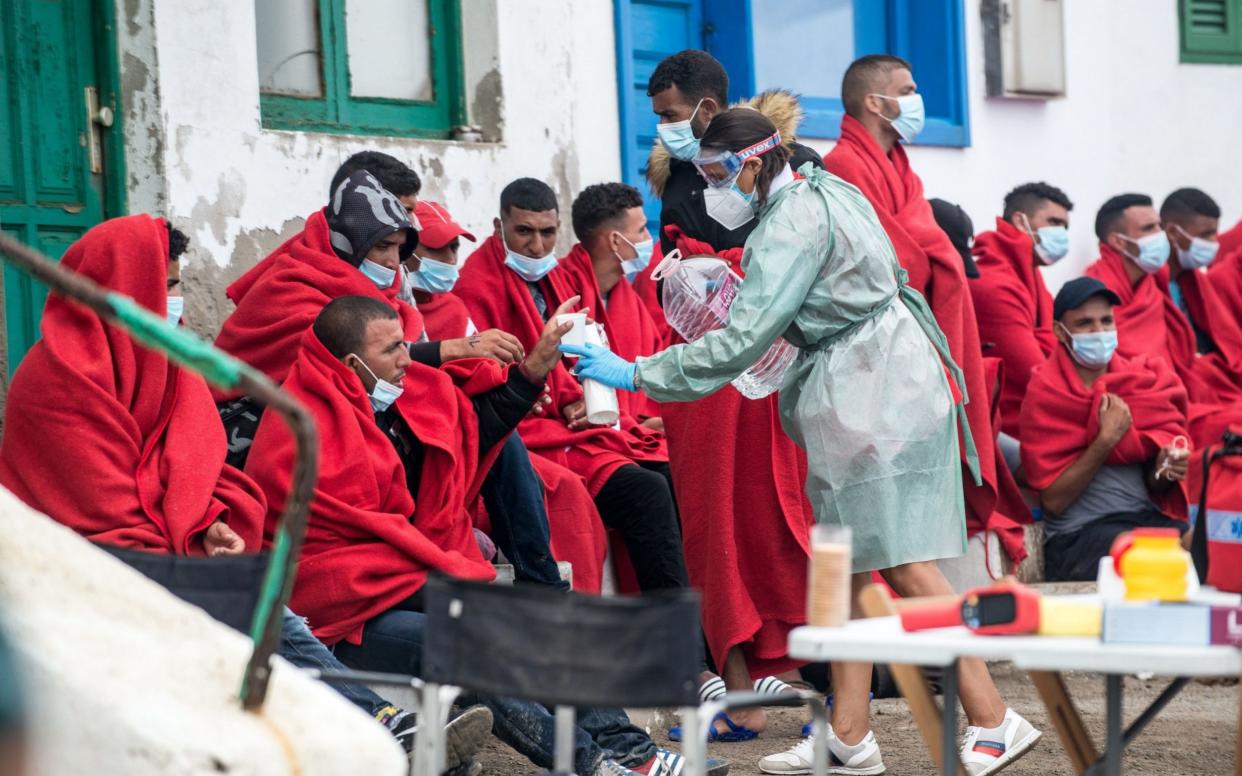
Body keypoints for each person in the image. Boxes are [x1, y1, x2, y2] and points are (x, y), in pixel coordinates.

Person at [564, 108, 1039, 776]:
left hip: (868, 390)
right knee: (845, 562)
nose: (710, 190)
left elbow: (740, 340)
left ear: (755, 162)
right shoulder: (823, 187)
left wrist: (637, 372)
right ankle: (848, 734)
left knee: (904, 563)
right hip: (876, 372)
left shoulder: (787, 224)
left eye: (717, 173)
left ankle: (994, 716)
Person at [0, 215, 490, 767]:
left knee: (273, 606)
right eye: (164, 286)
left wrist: (212, 521)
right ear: (119, 287)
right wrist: (195, 544)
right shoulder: (54, 385)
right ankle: (381, 722)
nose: (176, 300)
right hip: (85, 574)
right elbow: (101, 514)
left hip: (184, 552)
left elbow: (193, 466)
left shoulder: (168, 363)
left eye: (178, 284)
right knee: (257, 609)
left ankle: (397, 730)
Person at [244, 296, 722, 776]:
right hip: (345, 618)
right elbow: (325, 563)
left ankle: (630, 753)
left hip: (401, 579)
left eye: (405, 344)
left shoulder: (388, 396)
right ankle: (594, 764)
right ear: (351, 364)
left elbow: (476, 433)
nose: (408, 359)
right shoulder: (299, 428)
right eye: (392, 350)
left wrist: (533, 370)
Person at [647, 53, 818, 734]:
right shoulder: (675, 180)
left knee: (790, 526)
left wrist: (726, 268)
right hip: (705, 380)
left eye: (670, 115)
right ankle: (740, 692)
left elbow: (807, 259)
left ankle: (825, 693)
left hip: (779, 369)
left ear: (709, 112)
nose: (665, 131)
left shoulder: (801, 167)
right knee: (714, 528)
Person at [823, 54, 1029, 569]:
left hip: (918, 328)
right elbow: (892, 254)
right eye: (907, 89)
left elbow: (928, 239)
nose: (917, 100)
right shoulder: (844, 165)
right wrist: (932, 254)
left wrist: (932, 253)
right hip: (880, 337)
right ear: (876, 101)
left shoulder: (900, 165)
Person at [455, 178, 690, 597]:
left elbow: (575, 366)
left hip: (573, 425)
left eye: (547, 233)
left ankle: (696, 645)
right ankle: (676, 650)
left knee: (675, 475)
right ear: (498, 227)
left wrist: (579, 399)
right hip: (524, 434)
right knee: (647, 491)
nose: (537, 246)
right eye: (524, 232)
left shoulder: (558, 281)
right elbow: (480, 379)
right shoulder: (477, 286)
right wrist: (542, 395)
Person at [1020, 278, 1190, 581]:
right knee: (1159, 559)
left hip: (1143, 520)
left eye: (1106, 321)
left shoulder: (1139, 381)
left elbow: (1155, 484)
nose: (1099, 332)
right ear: (1060, 331)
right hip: (1078, 537)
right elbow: (1054, 502)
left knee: (1205, 547)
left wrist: (1166, 468)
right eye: (1085, 323)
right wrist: (1105, 440)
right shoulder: (1047, 392)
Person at [1085, 194, 1242, 447]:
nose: (1160, 234)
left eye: (1158, 225)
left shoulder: (1153, 284)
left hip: (1183, 393)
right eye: (1149, 228)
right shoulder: (1096, 294)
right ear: (1117, 241)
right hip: (1143, 406)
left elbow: (1182, 358)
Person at [969, 182, 1074, 441]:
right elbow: (1035, 372)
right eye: (1054, 222)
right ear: (1020, 220)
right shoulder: (994, 283)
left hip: (1036, 415)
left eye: (1065, 227)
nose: (1061, 233)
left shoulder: (1030, 277)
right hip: (1004, 427)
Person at [1160, 188, 1242, 360]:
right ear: (1173, 233)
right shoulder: (1151, 286)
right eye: (1205, 235)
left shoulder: (1195, 283)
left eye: (1214, 233)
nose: (1214, 242)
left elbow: (1227, 343)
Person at [400, 199, 478, 339]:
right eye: (435, 248)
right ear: (401, 248)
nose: (451, 260)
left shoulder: (454, 309)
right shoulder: (383, 311)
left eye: (454, 248)